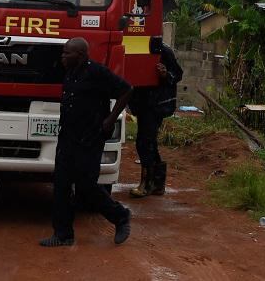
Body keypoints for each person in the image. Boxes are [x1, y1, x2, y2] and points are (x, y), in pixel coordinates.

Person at [40, 37, 133, 247]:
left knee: (86, 187)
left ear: (80, 56)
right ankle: (63, 234)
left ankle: (120, 216)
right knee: (61, 185)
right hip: (68, 138)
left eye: (67, 53)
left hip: (89, 139)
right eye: (63, 52)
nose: (62, 57)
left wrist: (109, 120)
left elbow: (127, 90)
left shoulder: (97, 73)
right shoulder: (70, 73)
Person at [128, 40, 183, 198]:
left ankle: (146, 184)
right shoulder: (134, 47)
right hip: (143, 104)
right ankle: (157, 184)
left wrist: (165, 74)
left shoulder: (163, 50)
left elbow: (178, 74)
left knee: (144, 142)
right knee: (149, 142)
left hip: (156, 105)